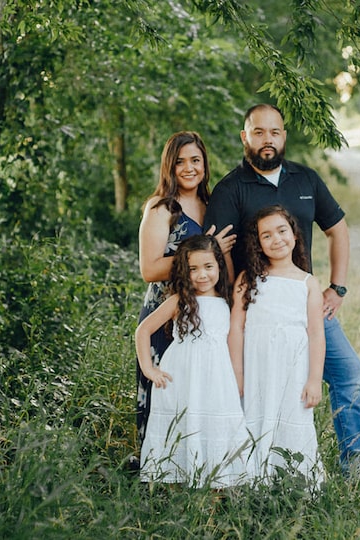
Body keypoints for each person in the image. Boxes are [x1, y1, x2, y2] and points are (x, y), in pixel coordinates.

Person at [203, 104, 360, 477]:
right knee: (260, 392)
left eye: (275, 132)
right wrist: (239, 298)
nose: (268, 140)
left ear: (284, 135)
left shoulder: (306, 179)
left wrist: (337, 288)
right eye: (259, 132)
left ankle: (357, 465)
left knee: (347, 372)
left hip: (306, 303)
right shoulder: (230, 189)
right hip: (257, 311)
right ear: (245, 137)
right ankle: (256, 469)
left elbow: (338, 230)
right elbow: (217, 252)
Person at [136, 131, 234, 450]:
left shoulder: (212, 205)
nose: (189, 168)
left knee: (198, 394)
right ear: (169, 166)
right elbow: (149, 269)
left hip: (204, 312)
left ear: (205, 163)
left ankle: (196, 466)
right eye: (180, 162)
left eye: (195, 160)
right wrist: (206, 252)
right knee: (162, 391)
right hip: (166, 309)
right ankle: (152, 471)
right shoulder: (161, 207)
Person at [137, 234, 251, 488]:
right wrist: (148, 368)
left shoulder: (227, 301)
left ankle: (216, 486)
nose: (202, 275)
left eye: (208, 267)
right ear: (183, 271)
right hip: (181, 376)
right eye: (193, 269)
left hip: (216, 377)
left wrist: (237, 378)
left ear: (219, 266)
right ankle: (175, 486)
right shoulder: (179, 300)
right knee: (182, 424)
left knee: (214, 423)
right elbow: (143, 330)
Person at [229, 205, 325, 487]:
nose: (276, 239)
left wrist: (314, 380)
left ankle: (295, 484)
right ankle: (251, 482)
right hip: (256, 366)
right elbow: (236, 326)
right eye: (266, 235)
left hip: (293, 368)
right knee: (254, 417)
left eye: (282, 231)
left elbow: (317, 334)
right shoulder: (248, 279)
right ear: (258, 243)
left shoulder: (308, 283)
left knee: (292, 418)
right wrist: (237, 372)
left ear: (294, 235)